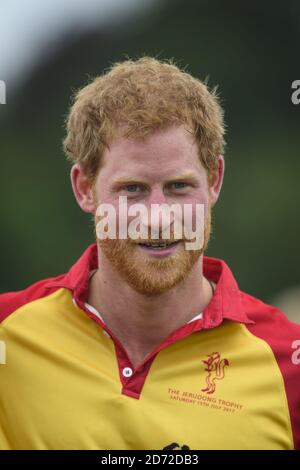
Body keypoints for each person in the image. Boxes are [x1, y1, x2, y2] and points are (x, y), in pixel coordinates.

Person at [0, 57, 299, 450]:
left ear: (214, 182)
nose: (158, 217)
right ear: (85, 188)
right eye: (132, 189)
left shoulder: (288, 363)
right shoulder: (9, 334)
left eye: (178, 187)